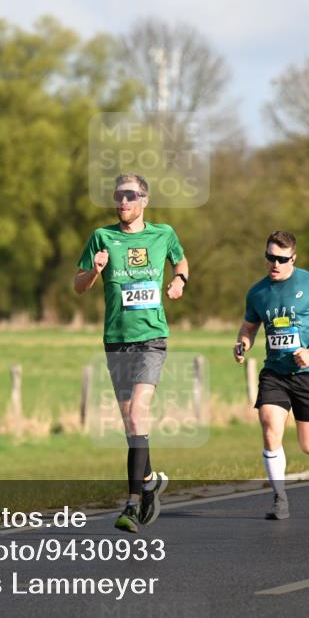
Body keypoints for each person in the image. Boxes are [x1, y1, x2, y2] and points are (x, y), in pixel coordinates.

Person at [74, 173, 189, 533]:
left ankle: (132, 504)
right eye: (118, 195)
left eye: (130, 195)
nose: (122, 201)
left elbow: (181, 261)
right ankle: (150, 480)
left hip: (151, 338)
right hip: (116, 339)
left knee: (138, 415)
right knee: (130, 423)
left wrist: (179, 281)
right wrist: (95, 271)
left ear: (144, 200)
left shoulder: (163, 234)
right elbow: (78, 286)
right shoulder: (101, 237)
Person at [233, 230, 309, 519]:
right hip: (275, 373)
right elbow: (249, 327)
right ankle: (279, 498)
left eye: (282, 259)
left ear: (293, 258)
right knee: (270, 425)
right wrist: (242, 343)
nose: (275, 264)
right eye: (270, 257)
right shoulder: (257, 292)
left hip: (308, 373)